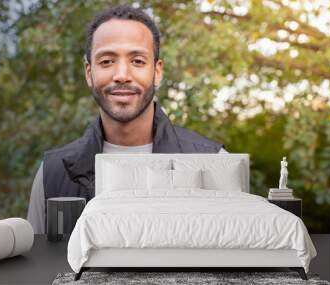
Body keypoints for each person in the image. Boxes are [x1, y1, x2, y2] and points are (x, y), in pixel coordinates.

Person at [27, 5, 227, 234]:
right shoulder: (51, 174)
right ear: (88, 73)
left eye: (138, 61)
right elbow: (38, 266)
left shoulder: (215, 163)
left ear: (157, 72)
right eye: (107, 61)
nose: (122, 75)